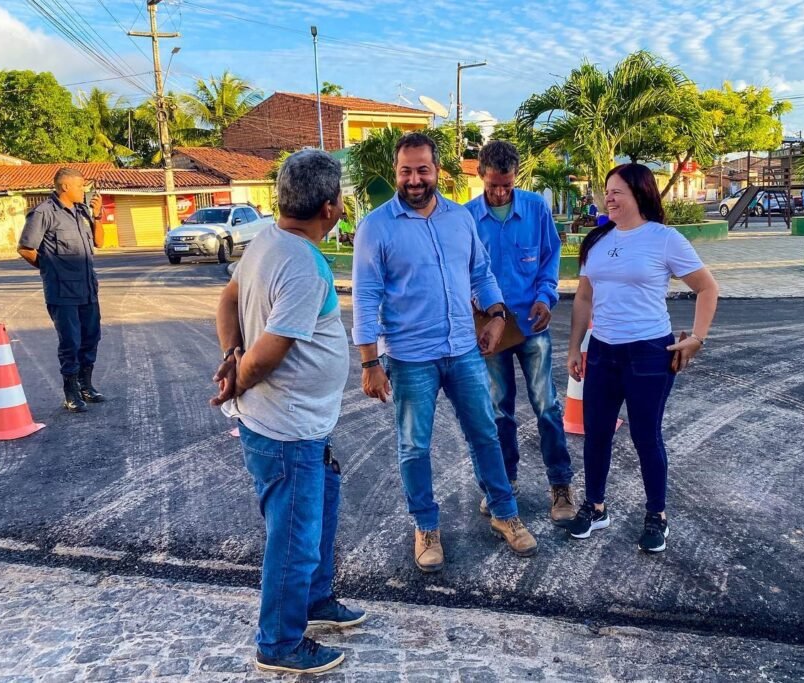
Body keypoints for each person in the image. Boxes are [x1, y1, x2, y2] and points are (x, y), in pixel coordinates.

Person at [352, 132, 537, 573]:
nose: (414, 179)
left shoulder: (459, 218)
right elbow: (365, 297)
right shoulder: (376, 226)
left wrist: (497, 315)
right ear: (396, 172)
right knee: (414, 446)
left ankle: (504, 513)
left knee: (485, 433)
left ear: (438, 171)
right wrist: (370, 362)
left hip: (463, 351)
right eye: (406, 171)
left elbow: (481, 273)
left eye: (423, 170)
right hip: (410, 357)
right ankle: (426, 526)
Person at [211, 150, 364, 675]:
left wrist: (230, 354)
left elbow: (227, 301)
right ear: (330, 207)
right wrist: (236, 375)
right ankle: (278, 643)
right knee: (294, 538)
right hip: (287, 427)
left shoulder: (267, 241)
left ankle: (315, 600)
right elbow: (267, 355)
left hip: (301, 423)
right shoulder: (299, 265)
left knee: (317, 514)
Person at [565, 163, 719, 553]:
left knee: (645, 435)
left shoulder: (664, 239)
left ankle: (657, 515)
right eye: (607, 191)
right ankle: (595, 507)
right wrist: (574, 347)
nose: (609, 198)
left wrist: (697, 338)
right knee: (596, 433)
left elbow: (706, 288)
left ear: (640, 193)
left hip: (649, 353)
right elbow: (584, 297)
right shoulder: (597, 240)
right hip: (602, 351)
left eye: (617, 191)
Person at [465, 141, 574, 526]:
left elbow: (550, 257)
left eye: (507, 185)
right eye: (493, 185)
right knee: (498, 409)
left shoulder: (536, 208)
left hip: (531, 325)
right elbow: (462, 271)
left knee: (547, 405)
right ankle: (505, 483)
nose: (500, 193)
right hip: (490, 332)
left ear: (516, 178)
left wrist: (546, 297)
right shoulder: (466, 219)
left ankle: (560, 484)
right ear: (481, 175)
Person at [17, 168, 106, 413]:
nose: (83, 190)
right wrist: (50, 269)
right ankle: (71, 392)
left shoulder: (81, 211)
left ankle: (86, 386)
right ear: (65, 187)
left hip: (87, 289)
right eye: (80, 186)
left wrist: (97, 216)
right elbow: (25, 248)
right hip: (62, 292)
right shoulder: (43, 213)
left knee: (91, 338)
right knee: (70, 342)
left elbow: (99, 242)